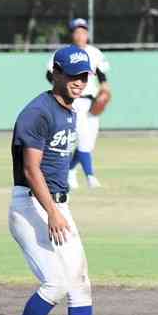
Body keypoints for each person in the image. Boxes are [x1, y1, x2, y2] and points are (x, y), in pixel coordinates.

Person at [1, 44, 116, 315]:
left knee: (80, 284)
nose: (80, 81)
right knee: (55, 283)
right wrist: (51, 210)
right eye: (74, 75)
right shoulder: (37, 112)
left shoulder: (70, 109)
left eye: (85, 76)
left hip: (56, 206)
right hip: (31, 206)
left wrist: (58, 208)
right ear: (56, 74)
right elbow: (30, 168)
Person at [46, 18, 111, 189]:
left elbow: (102, 76)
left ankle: (69, 170)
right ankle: (90, 177)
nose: (81, 34)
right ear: (72, 34)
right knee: (83, 139)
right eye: (77, 31)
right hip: (75, 101)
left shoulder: (94, 53)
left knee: (89, 142)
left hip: (92, 101)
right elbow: (50, 75)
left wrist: (105, 91)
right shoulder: (63, 53)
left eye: (84, 31)